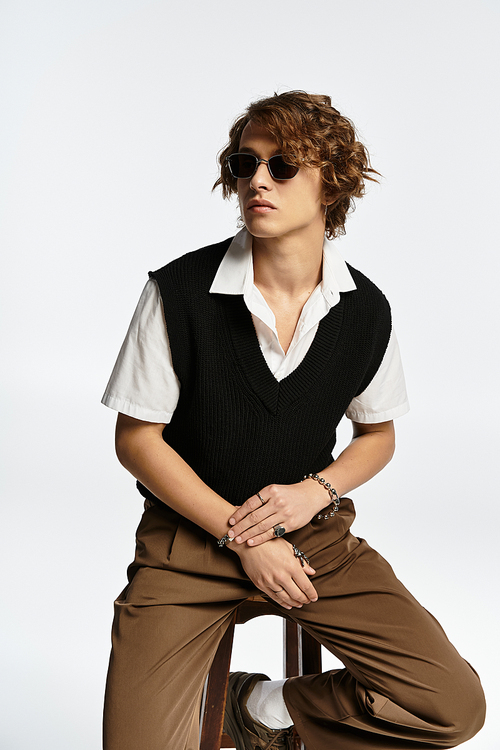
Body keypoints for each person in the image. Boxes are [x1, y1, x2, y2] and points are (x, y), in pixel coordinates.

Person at [101, 91, 485, 750]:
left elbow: (377, 435)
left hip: (315, 544)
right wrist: (242, 535)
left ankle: (260, 710)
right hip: (185, 547)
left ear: (331, 185)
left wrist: (317, 492)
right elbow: (137, 440)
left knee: (451, 707)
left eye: (283, 167)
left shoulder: (366, 311)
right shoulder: (177, 293)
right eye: (246, 162)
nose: (256, 180)